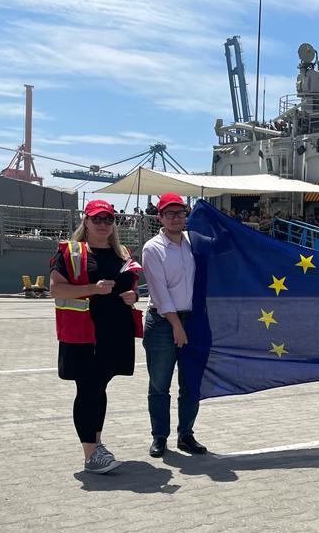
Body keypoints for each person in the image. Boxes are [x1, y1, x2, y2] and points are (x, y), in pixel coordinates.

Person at [49, 199, 140, 474]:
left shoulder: (123, 253)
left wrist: (133, 296)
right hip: (84, 333)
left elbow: (133, 290)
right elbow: (56, 290)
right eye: (97, 219)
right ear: (85, 221)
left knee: (99, 388)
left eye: (108, 219)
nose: (103, 224)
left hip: (114, 332)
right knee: (88, 389)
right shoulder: (70, 252)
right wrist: (93, 288)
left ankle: (97, 444)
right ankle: (90, 454)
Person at [142, 193, 208, 457]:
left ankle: (186, 434)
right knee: (160, 383)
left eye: (180, 213)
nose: (175, 218)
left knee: (190, 382)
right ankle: (160, 436)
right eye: (169, 213)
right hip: (161, 322)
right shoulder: (153, 249)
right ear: (160, 217)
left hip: (192, 320)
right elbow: (159, 293)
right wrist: (176, 326)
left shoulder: (194, 244)